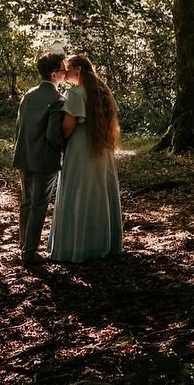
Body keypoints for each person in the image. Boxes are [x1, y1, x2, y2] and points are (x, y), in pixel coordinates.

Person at [48, 53, 123, 262]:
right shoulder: (103, 91)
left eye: (68, 68)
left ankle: (78, 245)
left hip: (81, 149)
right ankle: (103, 243)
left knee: (79, 191)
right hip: (102, 150)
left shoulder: (75, 94)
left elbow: (68, 127)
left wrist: (56, 137)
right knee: (99, 192)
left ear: (78, 70)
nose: (65, 72)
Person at [12, 51, 67, 265]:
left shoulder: (29, 94)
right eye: (63, 70)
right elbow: (53, 134)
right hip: (45, 158)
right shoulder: (57, 99)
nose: (65, 73)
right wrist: (64, 150)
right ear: (54, 74)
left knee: (26, 202)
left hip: (24, 155)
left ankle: (23, 244)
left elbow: (19, 127)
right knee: (39, 204)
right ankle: (30, 252)